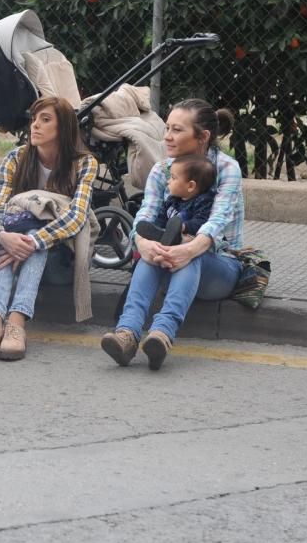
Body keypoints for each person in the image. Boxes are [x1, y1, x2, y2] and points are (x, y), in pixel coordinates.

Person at [102, 99, 243, 371]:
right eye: (167, 127)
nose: (167, 136)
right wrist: (144, 244)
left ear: (203, 137)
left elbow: (217, 221)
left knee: (192, 254)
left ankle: (162, 334)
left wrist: (187, 250)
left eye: (177, 130)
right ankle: (127, 334)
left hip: (220, 263)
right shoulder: (162, 170)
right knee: (149, 255)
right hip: (170, 258)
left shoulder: (227, 169)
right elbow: (145, 215)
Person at [0, 97, 98, 362]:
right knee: (15, 234)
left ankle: (16, 320)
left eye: (45, 120)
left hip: (61, 257)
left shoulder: (84, 163)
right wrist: (3, 236)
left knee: (32, 241)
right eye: (34, 119)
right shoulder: (16, 158)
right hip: (15, 244)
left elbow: (77, 218)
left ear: (63, 127)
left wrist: (32, 242)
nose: (35, 126)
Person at [135, 153, 216, 246]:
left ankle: (173, 240)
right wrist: (156, 227)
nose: (168, 181)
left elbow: (202, 221)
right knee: (160, 228)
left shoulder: (204, 201)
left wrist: (183, 227)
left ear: (190, 186)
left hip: (192, 241)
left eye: (173, 178)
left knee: (192, 239)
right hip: (169, 236)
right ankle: (161, 237)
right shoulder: (172, 200)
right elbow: (162, 217)